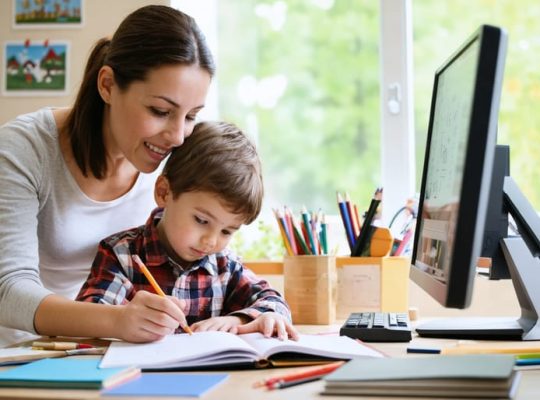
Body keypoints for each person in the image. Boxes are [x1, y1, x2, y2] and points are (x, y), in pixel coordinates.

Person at [0, 5, 215, 347]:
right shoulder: (23, 149)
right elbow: (7, 291)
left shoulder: (169, 165)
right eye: (160, 111)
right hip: (16, 355)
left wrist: (246, 317)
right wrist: (117, 320)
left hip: (96, 350)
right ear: (108, 85)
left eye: (191, 116)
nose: (177, 136)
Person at [76, 121, 298, 341]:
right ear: (164, 193)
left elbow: (275, 304)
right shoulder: (121, 255)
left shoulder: (224, 266)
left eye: (227, 231)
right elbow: (87, 316)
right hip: (136, 374)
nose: (211, 241)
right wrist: (123, 319)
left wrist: (239, 320)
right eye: (201, 220)